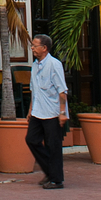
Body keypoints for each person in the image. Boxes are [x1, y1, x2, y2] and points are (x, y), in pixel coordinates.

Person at [25, 32, 69, 190]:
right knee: (31, 139)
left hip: (52, 112)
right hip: (38, 110)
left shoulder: (54, 64)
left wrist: (62, 113)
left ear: (44, 48)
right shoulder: (35, 66)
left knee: (53, 145)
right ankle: (51, 171)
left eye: (35, 46)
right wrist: (30, 109)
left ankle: (56, 179)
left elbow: (62, 90)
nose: (32, 48)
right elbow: (34, 90)